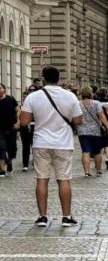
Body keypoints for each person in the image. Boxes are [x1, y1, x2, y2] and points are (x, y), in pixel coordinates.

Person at [18, 67, 83, 227]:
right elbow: (78, 121)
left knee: (42, 179)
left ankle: (42, 217)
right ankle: (66, 216)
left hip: (41, 142)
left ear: (43, 78)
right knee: (64, 180)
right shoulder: (70, 96)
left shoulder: (33, 97)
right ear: (59, 78)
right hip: (63, 143)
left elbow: (24, 121)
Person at [77, 86, 108, 177]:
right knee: (97, 152)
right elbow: (101, 116)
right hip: (95, 131)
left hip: (82, 131)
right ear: (91, 93)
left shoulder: (78, 104)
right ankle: (98, 170)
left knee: (85, 151)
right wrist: (107, 126)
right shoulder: (96, 103)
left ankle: (87, 172)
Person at [19, 79, 42, 171]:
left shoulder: (38, 100)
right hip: (26, 125)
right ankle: (25, 164)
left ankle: (34, 162)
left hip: (35, 124)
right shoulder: (26, 101)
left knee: (35, 146)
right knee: (26, 146)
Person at [0, 83, 18, 177]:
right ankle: (2, 170)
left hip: (11, 128)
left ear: (4, 89)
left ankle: (9, 160)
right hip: (0, 129)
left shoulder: (10, 99)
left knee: (11, 148)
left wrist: (17, 122)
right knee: (1, 148)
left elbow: (18, 110)